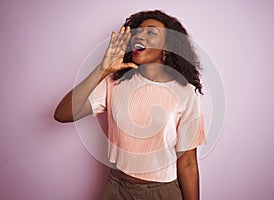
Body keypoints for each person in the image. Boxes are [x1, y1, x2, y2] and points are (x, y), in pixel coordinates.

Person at [54, 10, 206, 200]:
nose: (140, 35)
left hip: (162, 193)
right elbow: (63, 114)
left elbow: (188, 163)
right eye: (138, 31)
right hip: (115, 190)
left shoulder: (185, 92)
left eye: (151, 32)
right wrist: (102, 69)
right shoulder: (115, 82)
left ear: (167, 46)